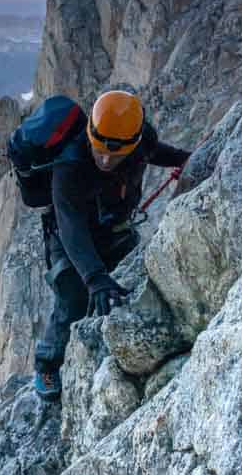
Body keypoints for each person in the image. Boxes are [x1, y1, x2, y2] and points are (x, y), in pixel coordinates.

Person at [33, 90, 190, 400]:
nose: (105, 160)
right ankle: (47, 364)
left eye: (114, 156)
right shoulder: (69, 163)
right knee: (72, 296)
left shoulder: (141, 141)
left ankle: (104, 341)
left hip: (114, 229)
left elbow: (154, 151)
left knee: (123, 288)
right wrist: (93, 277)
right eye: (99, 152)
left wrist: (184, 158)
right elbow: (70, 225)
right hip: (68, 237)